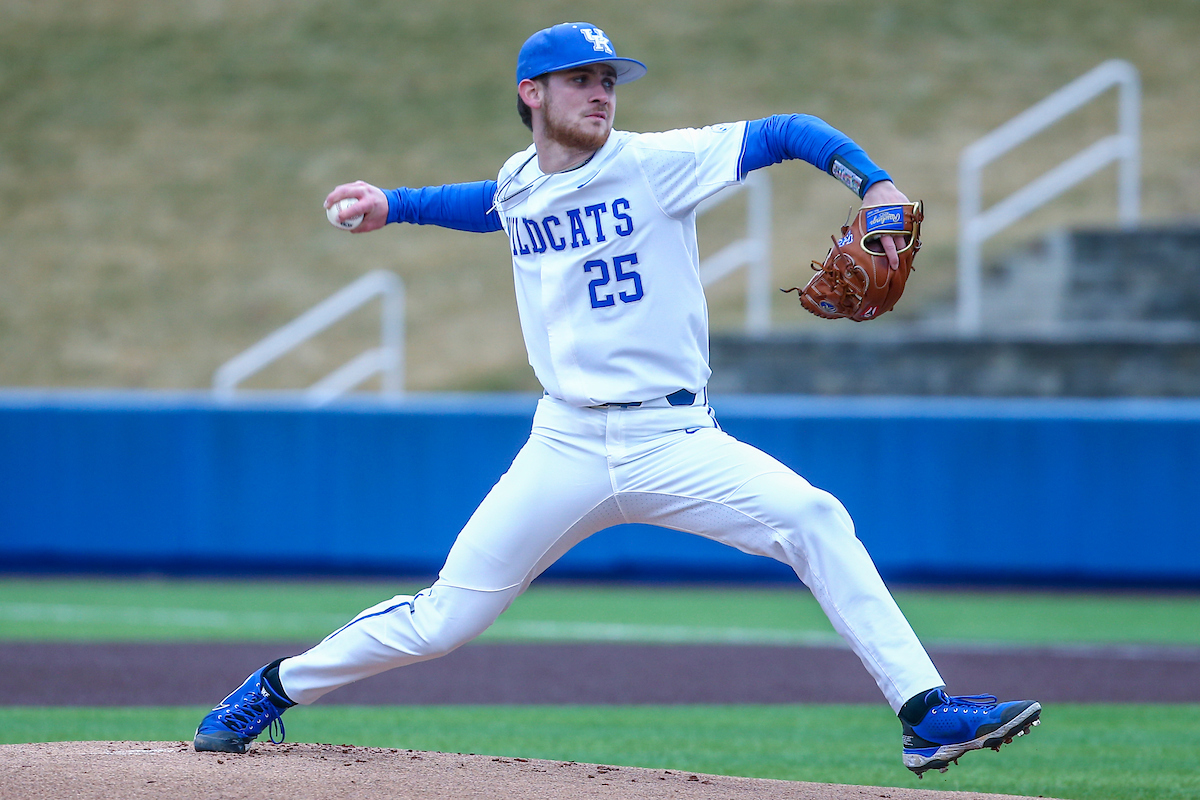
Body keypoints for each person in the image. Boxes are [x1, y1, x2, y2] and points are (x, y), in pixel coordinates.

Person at [193, 22, 1040, 776]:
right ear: (533, 94)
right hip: (561, 446)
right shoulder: (520, 181)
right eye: (581, 80)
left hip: (676, 439)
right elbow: (490, 206)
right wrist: (395, 205)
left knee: (814, 517)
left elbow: (786, 131)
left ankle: (925, 715)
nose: (601, 92)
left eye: (608, 81)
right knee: (444, 622)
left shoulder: (656, 165)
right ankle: (272, 689)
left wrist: (875, 186)